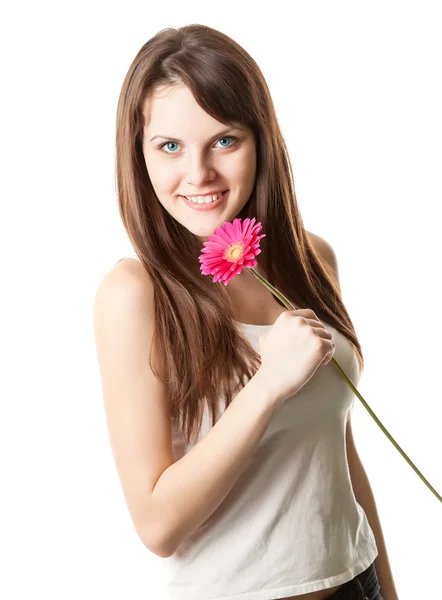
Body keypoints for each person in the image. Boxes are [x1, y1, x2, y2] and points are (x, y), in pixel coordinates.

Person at [93, 24, 394, 600]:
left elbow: (337, 450)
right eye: (170, 146)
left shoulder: (311, 259)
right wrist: (269, 384)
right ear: (140, 154)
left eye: (225, 140)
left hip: (359, 582)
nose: (199, 174)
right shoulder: (134, 293)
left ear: (261, 141)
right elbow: (157, 525)